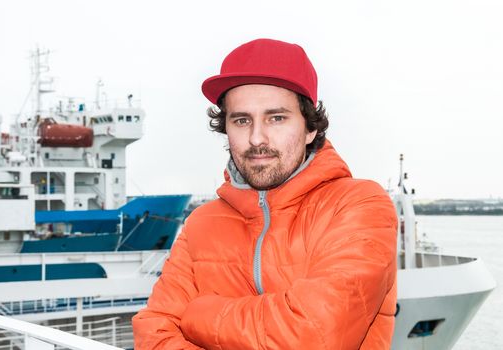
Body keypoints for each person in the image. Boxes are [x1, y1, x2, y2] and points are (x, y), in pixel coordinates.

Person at [132, 38, 397, 349]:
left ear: (310, 127)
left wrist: (200, 315)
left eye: (276, 118)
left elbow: (313, 335)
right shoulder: (201, 223)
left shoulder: (359, 204)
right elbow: (153, 335)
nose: (257, 138)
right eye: (242, 120)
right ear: (226, 127)